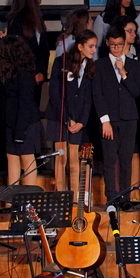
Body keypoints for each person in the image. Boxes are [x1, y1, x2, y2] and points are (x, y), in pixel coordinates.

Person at [93, 26, 140, 199]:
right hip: (109, 119)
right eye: (113, 44)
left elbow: (137, 91)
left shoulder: (134, 64)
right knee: (109, 160)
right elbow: (97, 94)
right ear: (107, 43)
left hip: (129, 118)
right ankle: (111, 197)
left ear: (125, 44)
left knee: (126, 160)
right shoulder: (99, 65)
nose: (116, 48)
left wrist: (123, 73)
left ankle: (125, 197)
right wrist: (104, 120)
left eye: (120, 44)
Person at [47, 32, 97, 198]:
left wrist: (81, 122)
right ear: (80, 46)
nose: (94, 50)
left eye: (95, 46)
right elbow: (55, 93)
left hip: (78, 121)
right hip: (60, 118)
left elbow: (89, 97)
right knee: (61, 160)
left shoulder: (90, 66)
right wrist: (67, 118)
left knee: (75, 160)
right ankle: (62, 198)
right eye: (91, 46)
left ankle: (75, 199)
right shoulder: (61, 62)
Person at [0, 35, 43, 188]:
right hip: (11, 122)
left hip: (26, 123)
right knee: (12, 157)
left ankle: (28, 198)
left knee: (27, 157)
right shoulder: (9, 74)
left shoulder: (24, 75)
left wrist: (20, 132)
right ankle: (12, 196)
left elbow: (25, 104)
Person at [5, 0, 50, 82]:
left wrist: (41, 71)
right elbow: (18, 52)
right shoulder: (17, 19)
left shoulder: (38, 18)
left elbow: (43, 49)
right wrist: (33, 73)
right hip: (24, 77)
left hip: (38, 76)